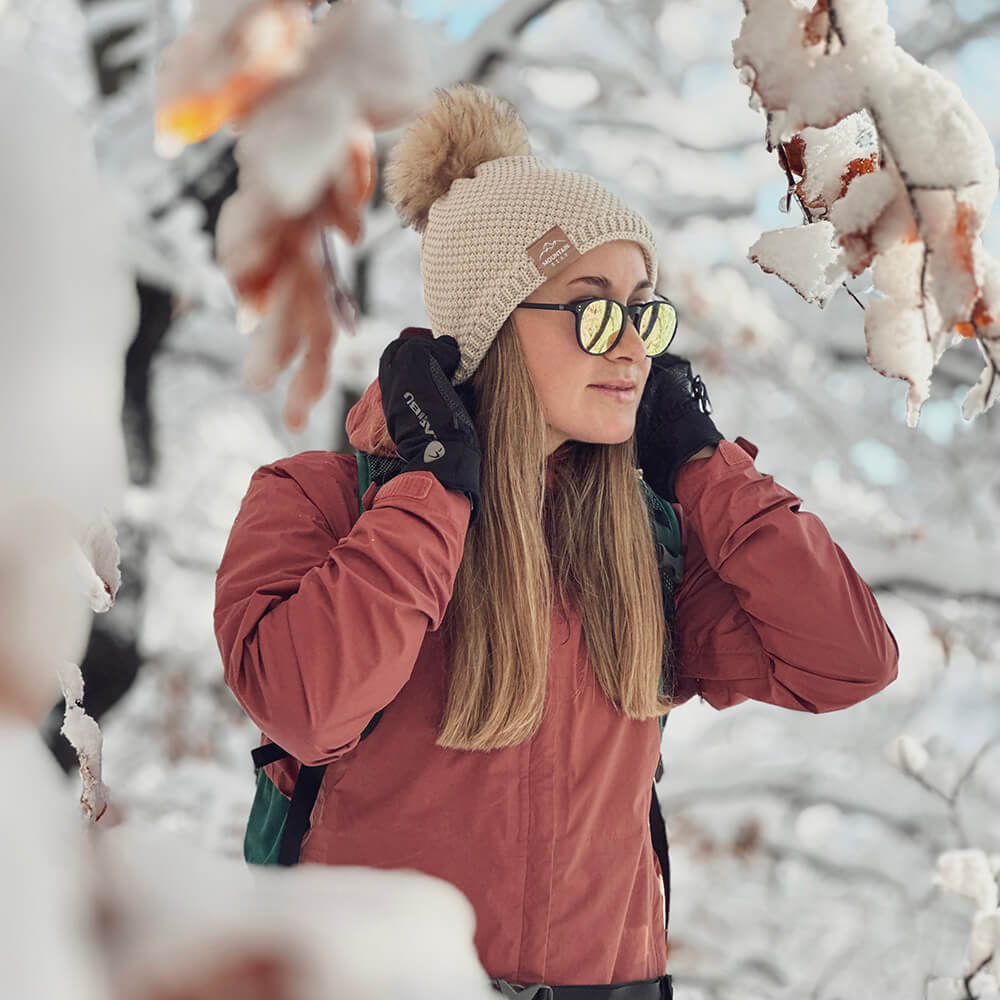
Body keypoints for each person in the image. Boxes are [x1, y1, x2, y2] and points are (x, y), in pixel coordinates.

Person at [214, 84, 898, 999]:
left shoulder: (644, 546)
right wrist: (433, 485)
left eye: (643, 311)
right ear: (492, 330)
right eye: (593, 309)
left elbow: (849, 661)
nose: (631, 348)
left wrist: (701, 462)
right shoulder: (321, 504)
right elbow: (308, 704)